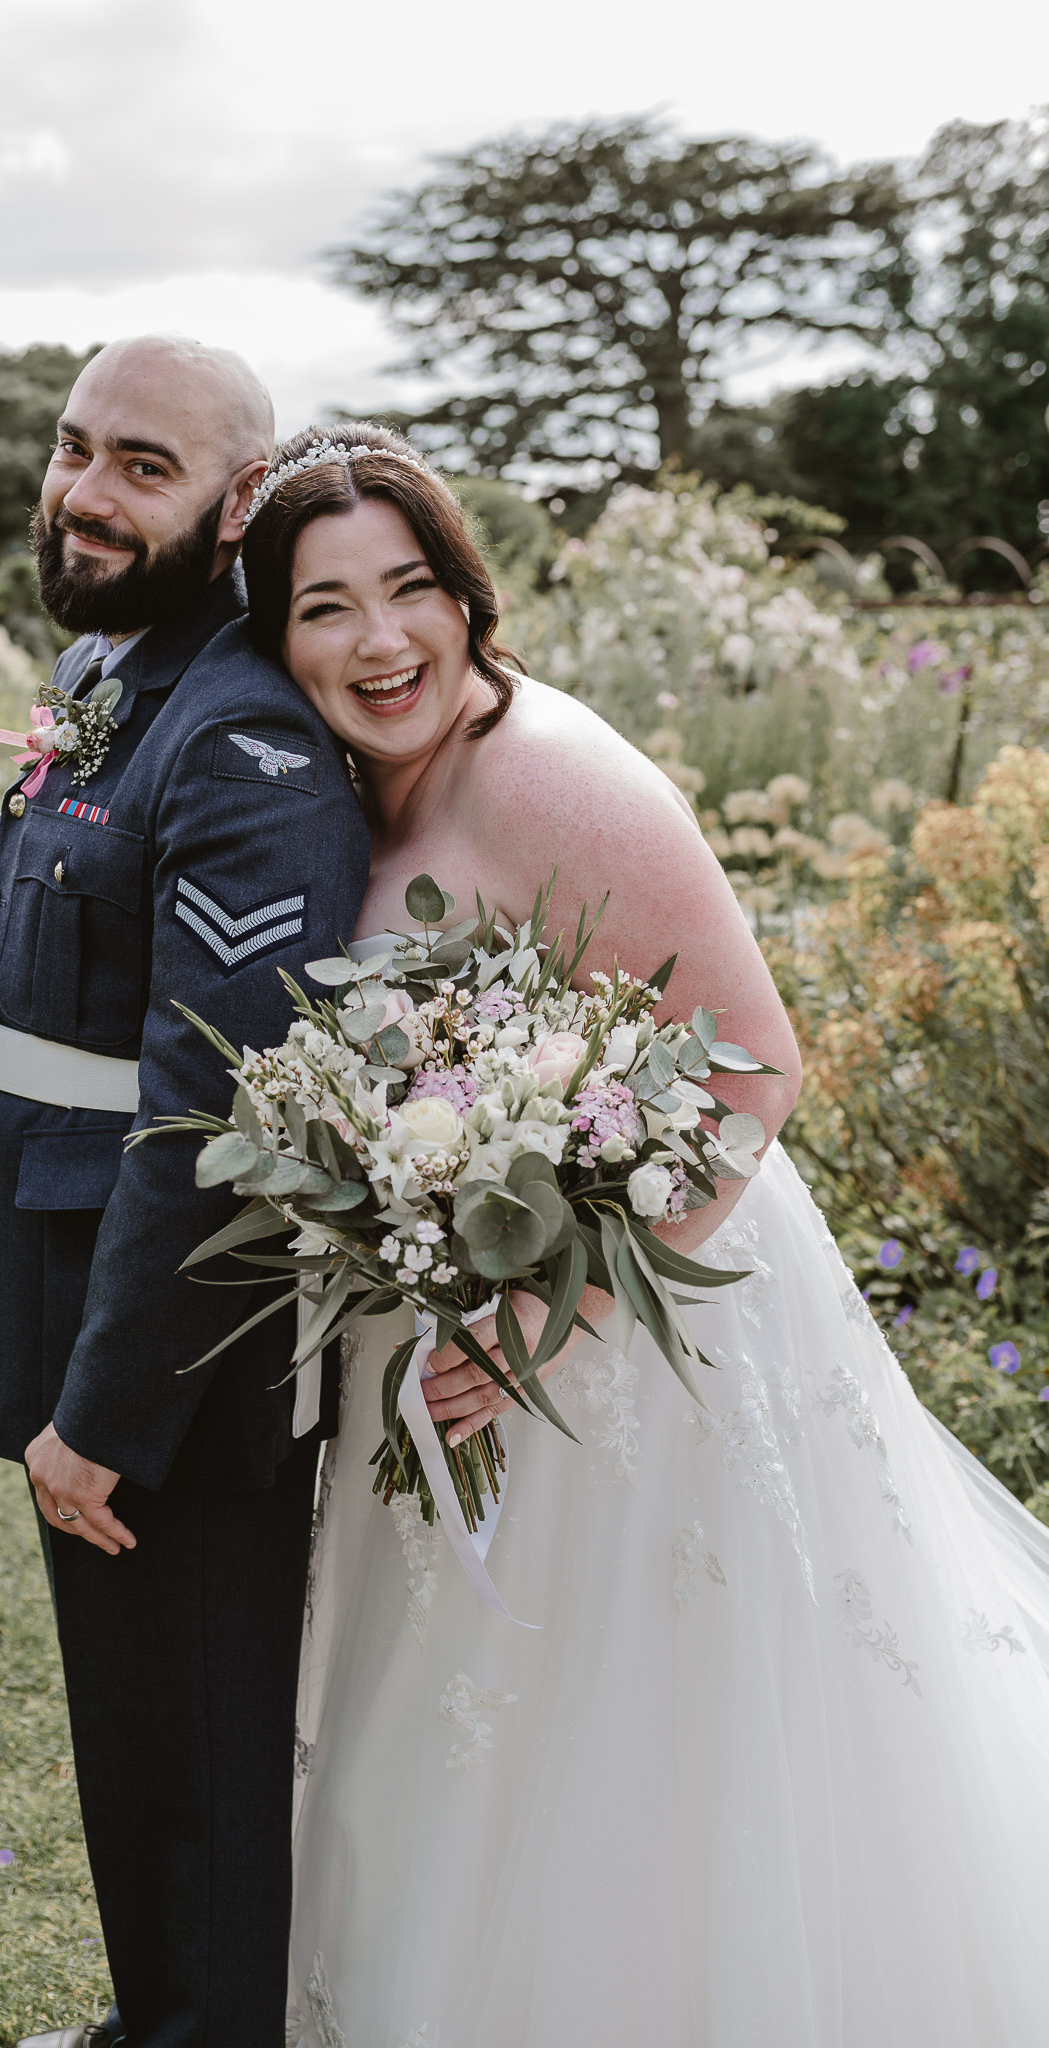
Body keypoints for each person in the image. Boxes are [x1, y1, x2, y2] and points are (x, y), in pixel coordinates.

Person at [237, 424, 1049, 2047]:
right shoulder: (333, 788)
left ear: (469, 600)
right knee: (455, 1738)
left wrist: (548, 1323)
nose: (378, 641)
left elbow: (754, 1059)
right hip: (442, 1327)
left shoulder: (546, 770)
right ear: (273, 640)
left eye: (409, 591)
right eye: (325, 609)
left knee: (641, 1746)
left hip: (625, 1338)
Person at [0, 340, 371, 2048]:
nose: (85, 489)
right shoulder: (109, 668)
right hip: (69, 1275)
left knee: (197, 1755)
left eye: (144, 464)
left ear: (234, 508)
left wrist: (111, 1410)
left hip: (170, 1349)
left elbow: (224, 1112)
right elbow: (93, 962)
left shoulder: (247, 742)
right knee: (134, 1732)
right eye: (75, 448)